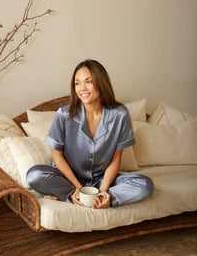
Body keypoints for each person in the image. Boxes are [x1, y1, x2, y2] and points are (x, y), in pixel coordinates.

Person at [26, 59, 154, 208]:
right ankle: (76, 197)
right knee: (34, 175)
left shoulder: (120, 114)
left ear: (101, 82)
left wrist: (104, 190)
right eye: (77, 83)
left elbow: (116, 158)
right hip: (68, 179)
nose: (82, 88)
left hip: (101, 180)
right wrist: (78, 187)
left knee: (145, 185)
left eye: (88, 82)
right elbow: (57, 156)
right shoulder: (64, 115)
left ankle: (101, 199)